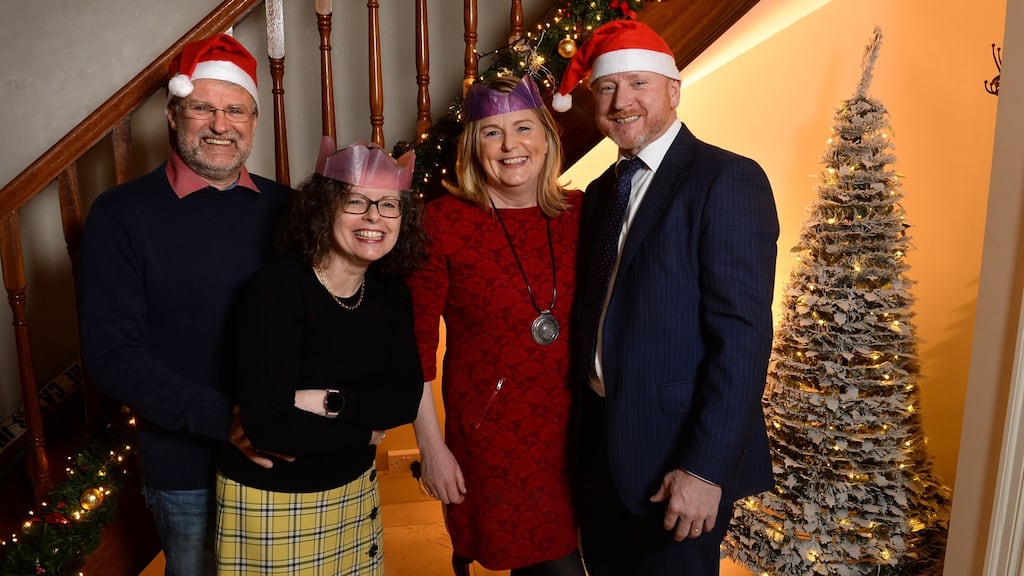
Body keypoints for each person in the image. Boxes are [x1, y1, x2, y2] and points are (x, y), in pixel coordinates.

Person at [552, 20, 780, 576]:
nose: (621, 101)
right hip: (601, 448)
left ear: (673, 91)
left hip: (677, 456)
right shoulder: (603, 191)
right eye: (607, 87)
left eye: (639, 84)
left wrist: (704, 470)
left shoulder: (727, 179)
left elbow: (743, 340)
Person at [77, 34, 291, 576]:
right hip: (188, 471)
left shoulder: (289, 208)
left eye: (236, 110)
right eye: (203, 108)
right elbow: (111, 355)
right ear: (173, 115)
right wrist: (226, 421)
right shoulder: (121, 215)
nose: (221, 125)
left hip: (285, 456)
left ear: (253, 121)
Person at [214, 138, 426, 575]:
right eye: (356, 201)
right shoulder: (275, 291)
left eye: (389, 204)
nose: (374, 217)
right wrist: (365, 433)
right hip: (275, 502)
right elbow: (269, 427)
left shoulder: (392, 295)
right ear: (323, 209)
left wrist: (325, 401)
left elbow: (404, 401)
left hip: (356, 491)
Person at [406, 75, 586, 576]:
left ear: (546, 138)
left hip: (581, 431)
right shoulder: (442, 223)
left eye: (523, 127)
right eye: (492, 132)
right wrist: (431, 448)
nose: (510, 145)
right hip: (495, 439)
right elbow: (415, 350)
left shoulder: (582, 213)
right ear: (473, 146)